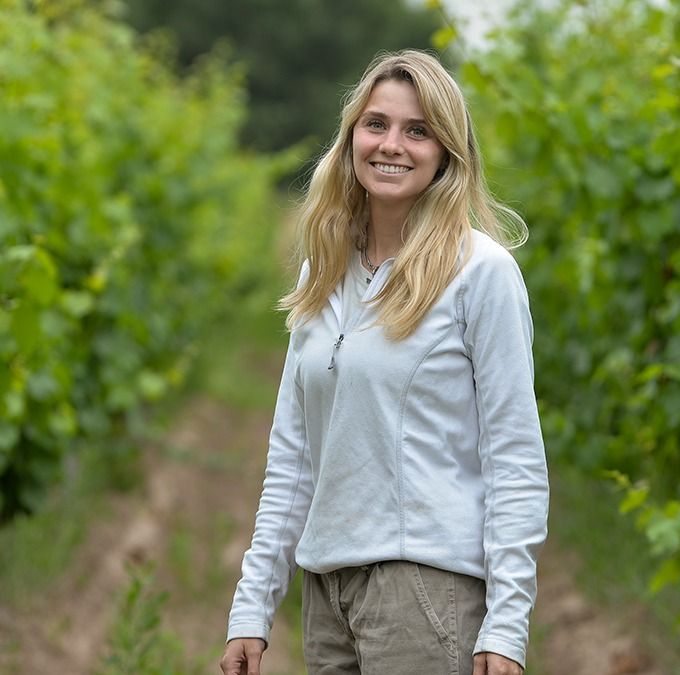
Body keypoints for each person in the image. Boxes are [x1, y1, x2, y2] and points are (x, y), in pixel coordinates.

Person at [220, 49, 549, 675]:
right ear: (351, 139)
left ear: (447, 151)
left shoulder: (481, 273)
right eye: (376, 124)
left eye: (417, 130)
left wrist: (506, 623)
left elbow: (515, 457)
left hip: (425, 590)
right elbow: (293, 456)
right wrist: (251, 608)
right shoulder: (325, 271)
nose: (392, 144)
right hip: (327, 592)